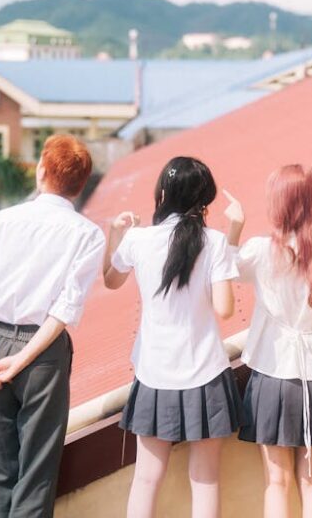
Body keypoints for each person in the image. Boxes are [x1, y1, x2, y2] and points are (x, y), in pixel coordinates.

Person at [0, 134, 105, 518]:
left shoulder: (1, 221)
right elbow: (64, 309)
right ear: (81, 184)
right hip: (43, 353)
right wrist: (23, 359)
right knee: (37, 467)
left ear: (41, 170)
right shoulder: (88, 234)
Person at [103, 156, 243, 518]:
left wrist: (116, 235)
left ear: (163, 193)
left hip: (154, 373)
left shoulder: (137, 239)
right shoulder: (213, 242)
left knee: (147, 479)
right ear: (204, 199)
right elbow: (226, 309)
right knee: (206, 480)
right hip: (206, 372)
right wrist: (233, 237)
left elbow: (110, 279)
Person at [226, 164, 312, 518]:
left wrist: (234, 227)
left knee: (276, 483)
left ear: (280, 204)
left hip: (273, 374)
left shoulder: (263, 251)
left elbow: (225, 268)